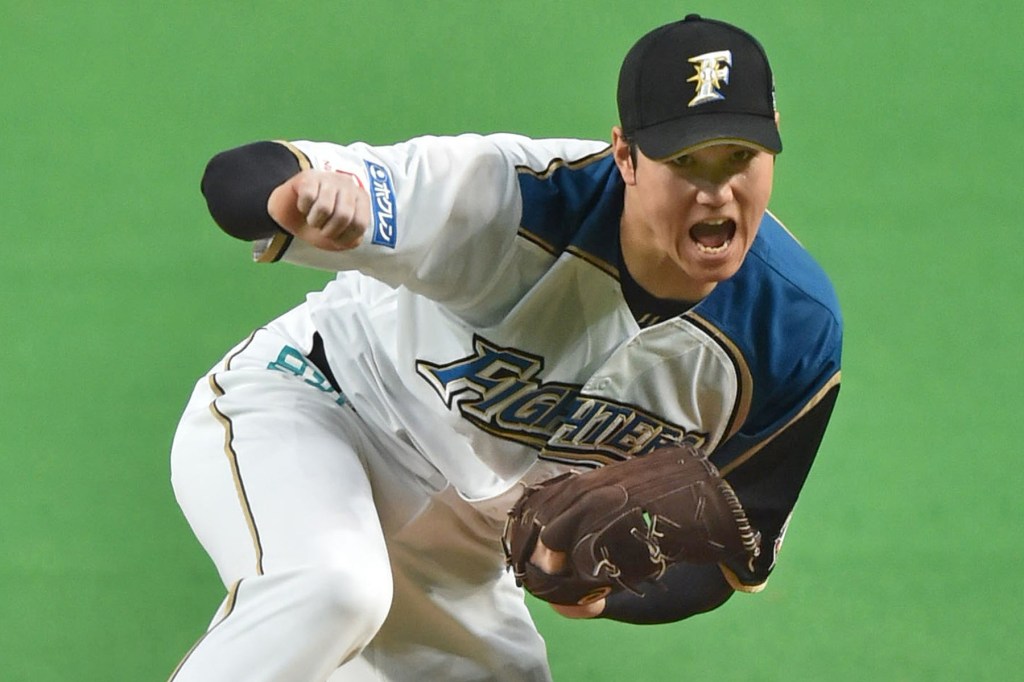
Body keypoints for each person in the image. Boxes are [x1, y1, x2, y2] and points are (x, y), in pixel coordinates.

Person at [168, 13, 842, 682]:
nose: (716, 189)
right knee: (333, 588)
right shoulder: (508, 197)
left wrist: (591, 587)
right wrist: (296, 191)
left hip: (458, 552)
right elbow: (240, 177)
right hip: (312, 408)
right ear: (625, 156)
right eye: (684, 160)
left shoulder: (789, 334)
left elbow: (725, 559)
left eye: (738, 157)